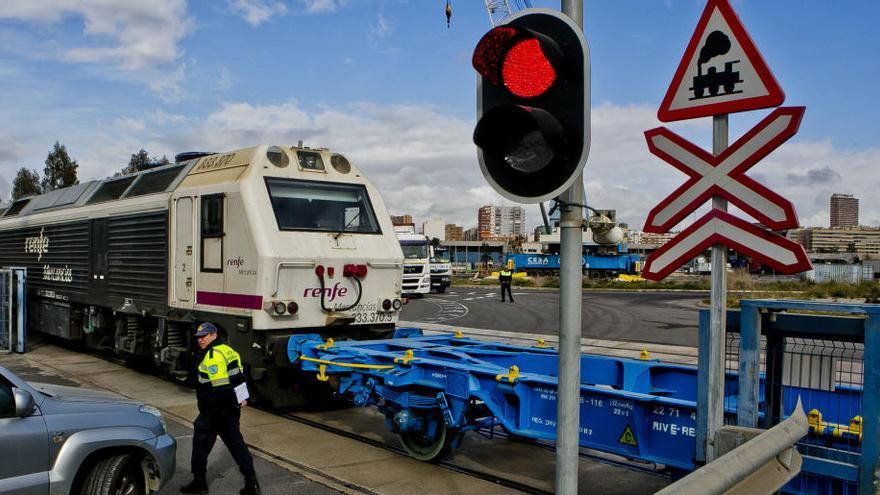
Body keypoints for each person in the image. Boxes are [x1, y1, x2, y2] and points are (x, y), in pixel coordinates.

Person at [181, 323, 261, 495]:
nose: (200, 340)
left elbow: (220, 388)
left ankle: (199, 483)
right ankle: (251, 483)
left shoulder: (212, 356)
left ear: (214, 335)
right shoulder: (229, 350)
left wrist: (221, 406)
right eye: (199, 337)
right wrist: (241, 399)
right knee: (237, 445)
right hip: (230, 410)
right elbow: (240, 376)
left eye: (204, 336)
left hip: (214, 410)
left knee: (200, 444)